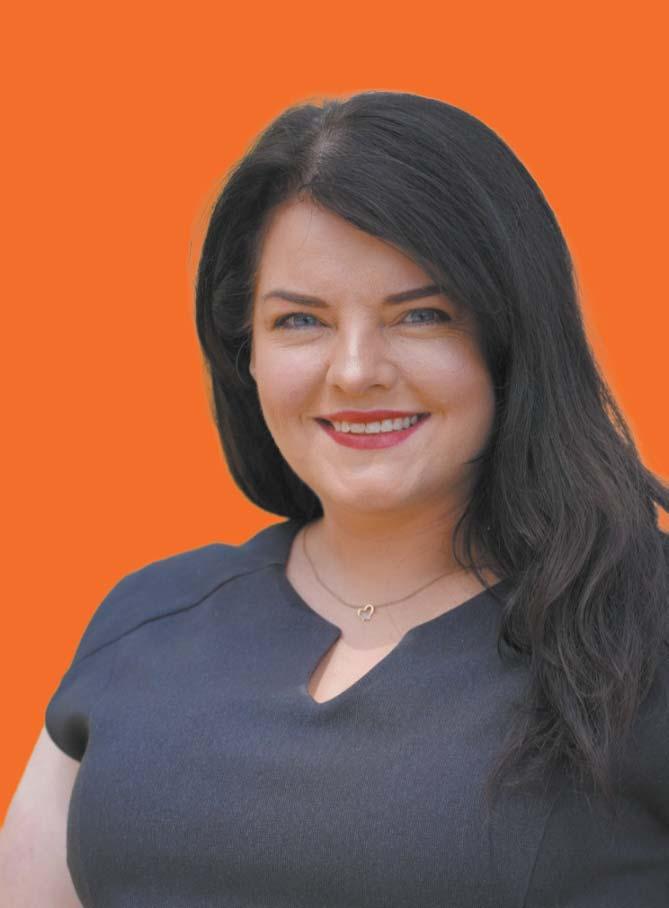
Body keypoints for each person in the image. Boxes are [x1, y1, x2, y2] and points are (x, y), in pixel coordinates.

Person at [2, 91, 668, 906]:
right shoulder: (146, 619)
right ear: (244, 352)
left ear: (511, 339)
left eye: (419, 315)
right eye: (300, 322)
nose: (355, 371)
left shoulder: (642, 625)